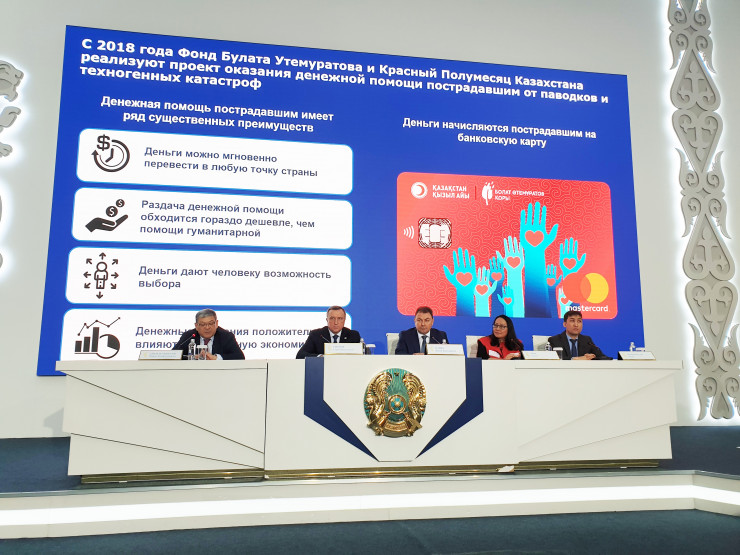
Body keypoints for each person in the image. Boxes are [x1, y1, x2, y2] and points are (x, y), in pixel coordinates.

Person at [173, 309, 245, 360]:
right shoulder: (189, 336)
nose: (207, 327)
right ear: (196, 326)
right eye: (202, 324)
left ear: (216, 323)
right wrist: (193, 357)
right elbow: (173, 355)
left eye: (211, 323)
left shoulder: (226, 336)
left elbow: (239, 357)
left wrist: (216, 358)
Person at [296, 305, 361, 359]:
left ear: (344, 320)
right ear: (327, 320)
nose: (336, 322)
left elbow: (362, 356)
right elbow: (300, 355)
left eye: (339, 318)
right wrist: (320, 357)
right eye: (332, 318)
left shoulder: (353, 335)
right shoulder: (316, 335)